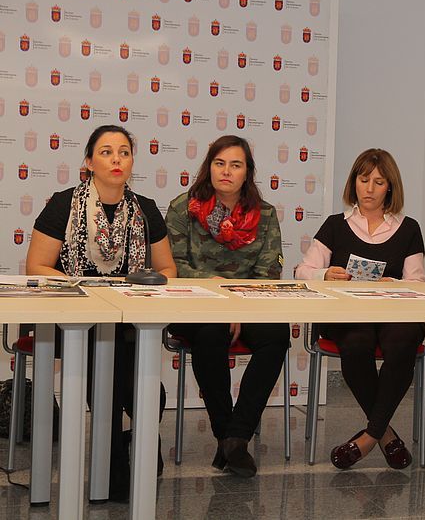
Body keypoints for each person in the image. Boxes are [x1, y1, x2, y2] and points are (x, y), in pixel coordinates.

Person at [26, 124, 177, 501]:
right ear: (89, 162)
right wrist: (86, 291)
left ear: (132, 162)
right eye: (106, 152)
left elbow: (167, 270)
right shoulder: (64, 204)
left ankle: (136, 442)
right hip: (76, 318)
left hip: (129, 318)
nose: (116, 159)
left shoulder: (146, 209)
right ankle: (115, 470)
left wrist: (138, 290)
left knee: (145, 388)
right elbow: (37, 267)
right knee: (108, 372)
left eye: (124, 152)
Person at [165, 135, 289, 478]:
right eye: (219, 163)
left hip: (248, 304)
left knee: (277, 336)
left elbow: (268, 273)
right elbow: (174, 266)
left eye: (236, 165)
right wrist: (218, 293)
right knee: (210, 334)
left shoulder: (265, 214)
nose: (226, 171)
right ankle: (225, 434)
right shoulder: (183, 208)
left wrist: (237, 307)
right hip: (195, 304)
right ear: (209, 168)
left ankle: (237, 436)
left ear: (247, 172)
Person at [295, 148, 425, 470]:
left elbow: (418, 283)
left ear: (390, 187)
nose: (369, 189)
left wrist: (394, 283)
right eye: (363, 180)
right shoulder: (335, 225)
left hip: (394, 314)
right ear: (353, 182)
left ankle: (369, 437)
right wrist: (325, 274)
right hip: (348, 315)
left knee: (403, 343)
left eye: (378, 182)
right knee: (356, 344)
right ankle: (385, 435)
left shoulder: (409, 228)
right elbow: (301, 271)